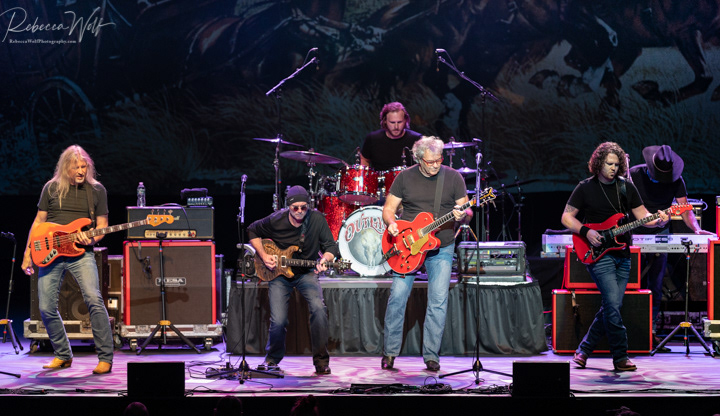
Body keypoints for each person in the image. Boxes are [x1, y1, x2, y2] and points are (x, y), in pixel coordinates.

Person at [561, 142, 668, 372]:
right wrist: (586, 232)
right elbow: (567, 218)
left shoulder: (626, 187)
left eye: (617, 165)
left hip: (623, 254)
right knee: (611, 303)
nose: (613, 168)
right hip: (598, 254)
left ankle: (583, 350)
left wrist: (659, 220)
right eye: (609, 164)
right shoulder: (585, 187)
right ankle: (620, 357)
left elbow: (643, 216)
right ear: (598, 163)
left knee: (613, 305)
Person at [20, 145, 114, 375]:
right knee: (45, 307)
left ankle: (105, 357)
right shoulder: (51, 188)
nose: (81, 171)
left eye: (84, 166)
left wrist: (92, 238)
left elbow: (102, 225)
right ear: (65, 168)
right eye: (76, 167)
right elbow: (38, 222)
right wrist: (28, 253)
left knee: (94, 299)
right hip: (50, 252)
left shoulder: (96, 190)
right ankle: (63, 354)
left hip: (81, 252)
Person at [380, 136, 471, 371]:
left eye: (439, 160)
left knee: (438, 301)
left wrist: (463, 214)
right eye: (430, 162)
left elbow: (467, 210)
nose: (435, 165)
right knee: (398, 297)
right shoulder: (404, 177)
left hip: (441, 245)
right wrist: (391, 223)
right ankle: (389, 352)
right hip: (408, 246)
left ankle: (431, 356)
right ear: (419, 159)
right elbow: (389, 209)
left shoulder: (453, 177)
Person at [248, 185, 339, 375]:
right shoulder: (276, 219)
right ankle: (272, 360)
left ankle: (321, 362)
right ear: (288, 206)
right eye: (294, 207)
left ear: (308, 205)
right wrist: (264, 255)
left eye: (303, 207)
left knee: (319, 309)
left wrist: (325, 259)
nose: (299, 211)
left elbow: (331, 246)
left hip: (306, 273)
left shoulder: (316, 220)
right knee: (279, 320)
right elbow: (252, 230)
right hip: (279, 274)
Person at [629, 145, 713, 349]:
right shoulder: (633, 175)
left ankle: (651, 332)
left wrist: (696, 229)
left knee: (656, 284)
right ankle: (629, 331)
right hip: (633, 231)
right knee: (631, 282)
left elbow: (685, 208)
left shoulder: (676, 179)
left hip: (660, 232)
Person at [360, 101, 422, 172]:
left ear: (405, 120)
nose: (396, 127)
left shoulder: (417, 139)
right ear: (385, 121)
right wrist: (365, 175)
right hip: (380, 179)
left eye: (399, 122)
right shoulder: (373, 138)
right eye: (392, 122)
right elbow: (364, 159)